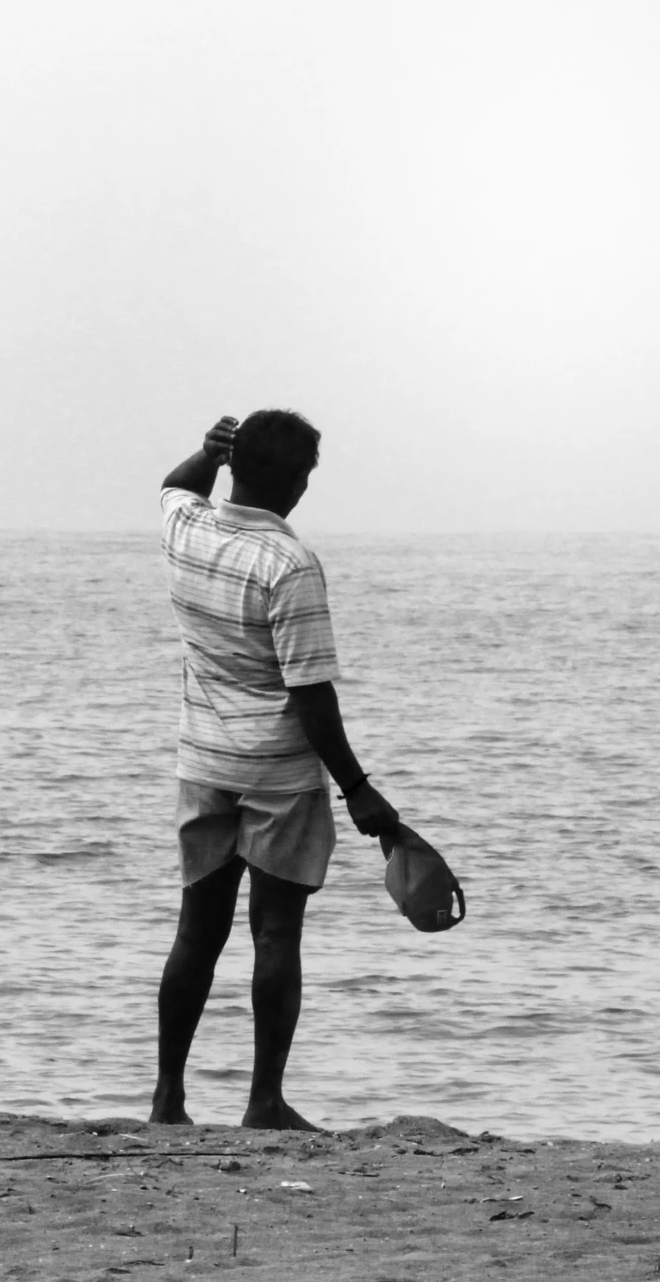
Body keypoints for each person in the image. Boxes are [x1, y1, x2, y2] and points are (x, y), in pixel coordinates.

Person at [150, 410, 401, 1131]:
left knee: (195, 931)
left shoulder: (184, 527)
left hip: (201, 761)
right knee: (274, 934)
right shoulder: (288, 565)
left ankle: (167, 1098)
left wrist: (204, 450)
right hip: (277, 774)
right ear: (295, 482)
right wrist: (357, 788)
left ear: (232, 466)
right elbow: (310, 694)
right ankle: (263, 1101)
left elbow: (173, 485)